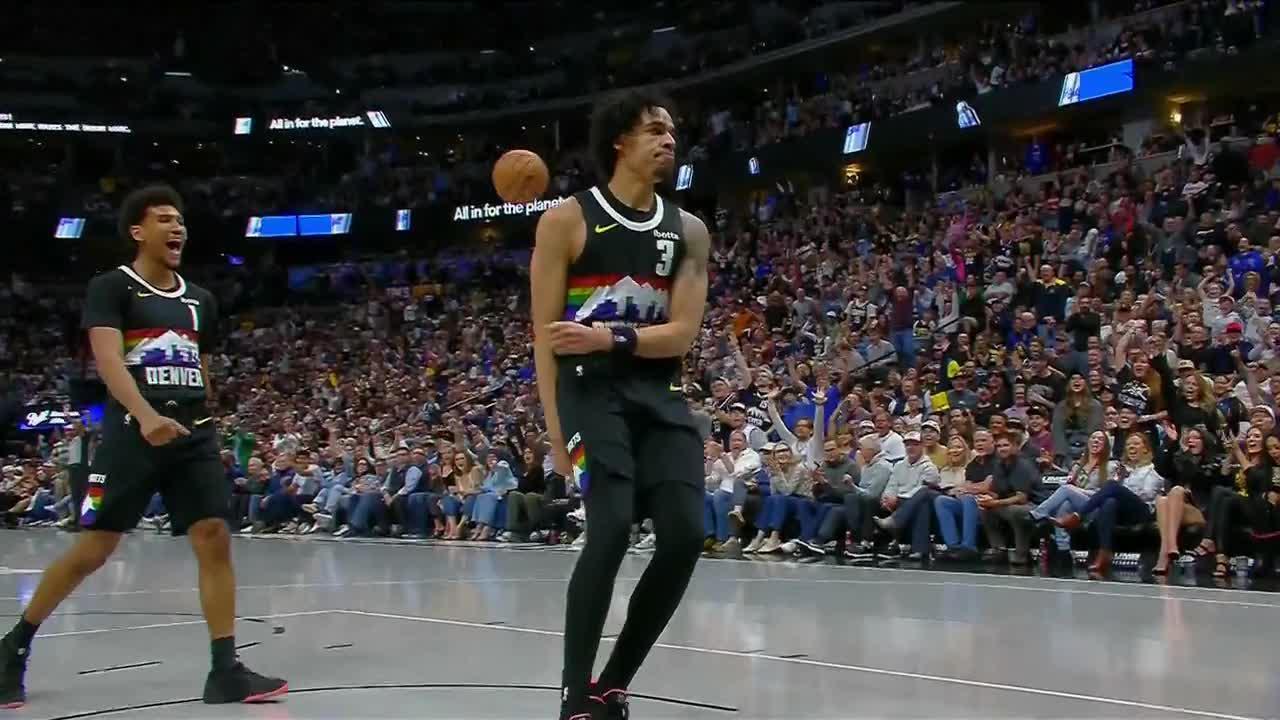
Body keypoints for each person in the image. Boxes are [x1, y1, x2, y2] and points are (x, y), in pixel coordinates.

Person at [0, 186, 286, 709]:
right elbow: (109, 361)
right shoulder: (112, 287)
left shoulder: (200, 300)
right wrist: (148, 415)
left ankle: (225, 670)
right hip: (132, 431)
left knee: (214, 536)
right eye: (165, 220)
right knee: (95, 548)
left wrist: (204, 418)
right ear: (138, 231)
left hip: (191, 432)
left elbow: (200, 364)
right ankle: (14, 647)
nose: (177, 228)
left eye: (181, 221)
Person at [531, 90, 710, 720]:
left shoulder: (689, 231)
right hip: (590, 392)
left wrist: (612, 336)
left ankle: (613, 684)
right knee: (609, 530)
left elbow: (682, 334)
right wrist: (556, 435)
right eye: (654, 129)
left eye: (672, 130)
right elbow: (545, 339)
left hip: (659, 392)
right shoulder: (566, 221)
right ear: (619, 142)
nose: (669, 139)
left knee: (686, 535)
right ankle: (573, 698)